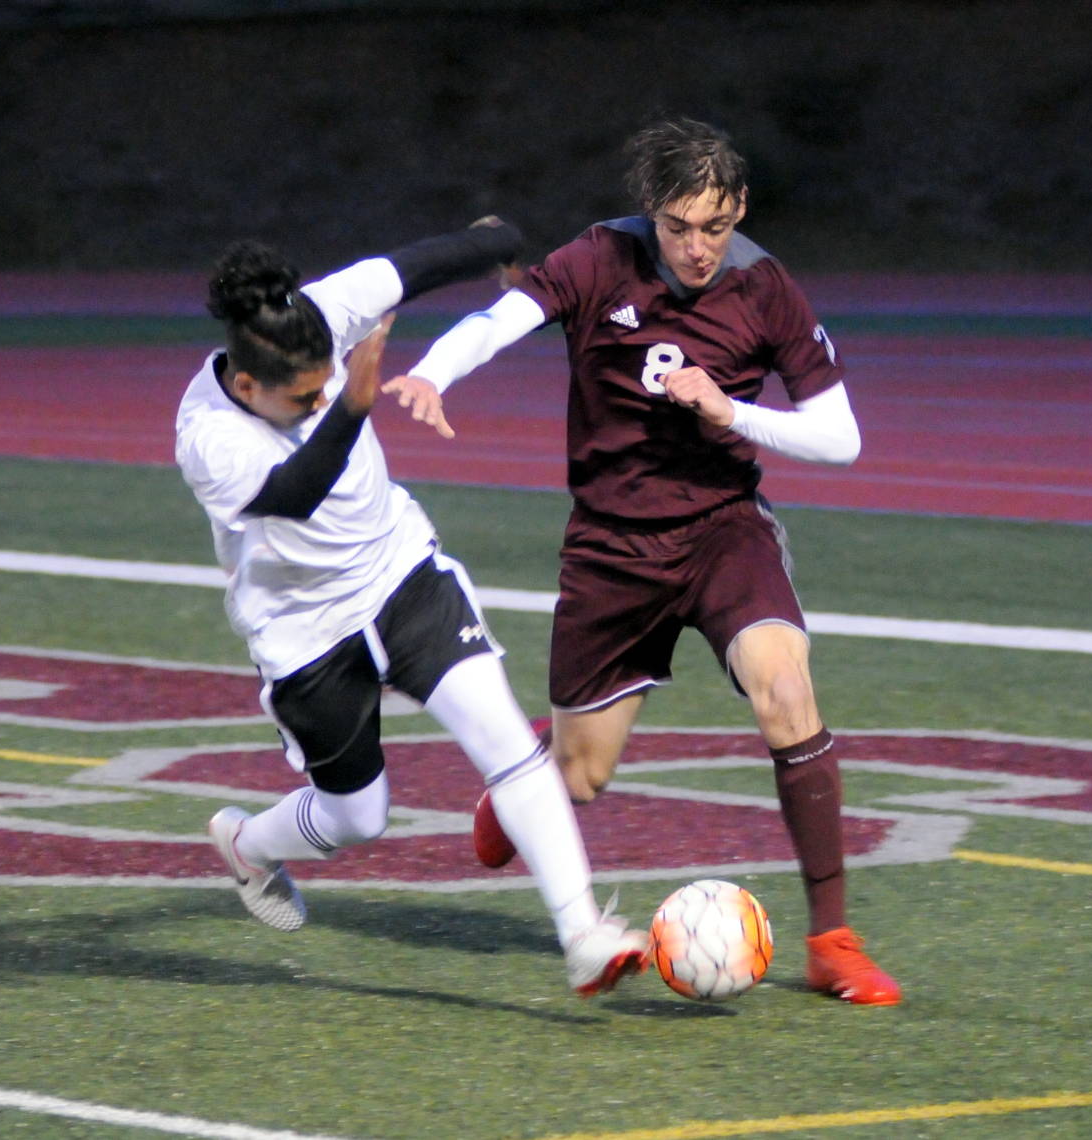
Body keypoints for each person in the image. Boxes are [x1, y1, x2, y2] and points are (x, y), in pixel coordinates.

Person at [384, 120, 902, 1005]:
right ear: (649, 214)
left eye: (713, 225)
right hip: (611, 550)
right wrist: (434, 374)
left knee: (786, 690)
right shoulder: (598, 259)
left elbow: (842, 438)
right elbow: (498, 321)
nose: (697, 247)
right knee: (582, 775)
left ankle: (831, 938)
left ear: (738, 208)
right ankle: (534, 779)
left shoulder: (765, 287)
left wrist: (732, 415)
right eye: (677, 226)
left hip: (722, 529)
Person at [174, 220, 648, 997]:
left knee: (506, 743)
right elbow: (294, 498)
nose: (321, 397)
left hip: (402, 574)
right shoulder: (207, 434)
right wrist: (353, 406)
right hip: (305, 633)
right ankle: (249, 846)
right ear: (249, 388)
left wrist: (500, 249)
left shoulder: (316, 315)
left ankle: (583, 934)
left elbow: (420, 262)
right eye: (305, 399)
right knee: (358, 817)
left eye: (328, 384)